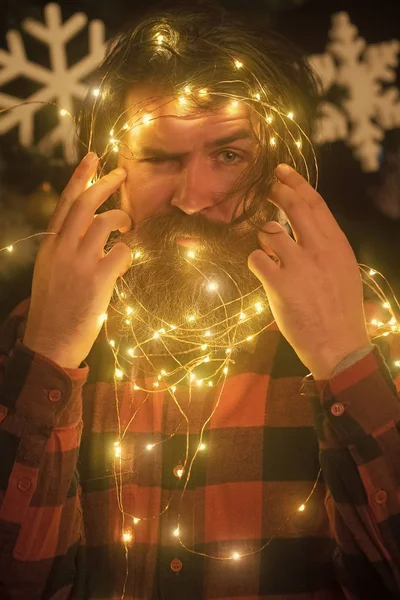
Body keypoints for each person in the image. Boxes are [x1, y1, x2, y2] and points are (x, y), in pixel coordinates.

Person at [1, 4, 400, 600]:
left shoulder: (369, 334)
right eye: (160, 158)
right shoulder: (38, 334)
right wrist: (50, 355)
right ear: (112, 167)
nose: (192, 198)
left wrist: (344, 361)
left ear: (280, 166)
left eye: (230, 155)